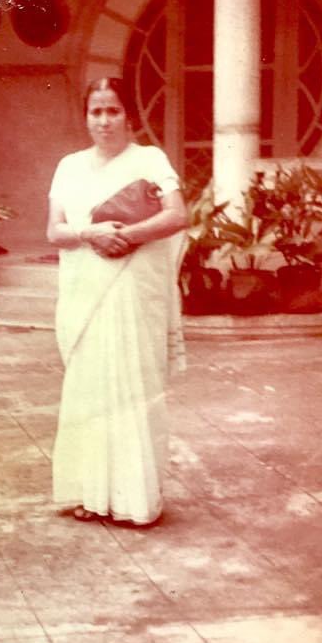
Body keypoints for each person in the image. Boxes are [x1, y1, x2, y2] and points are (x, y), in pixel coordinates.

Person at [45, 77, 188, 526]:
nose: (104, 121)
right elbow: (54, 231)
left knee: (133, 390)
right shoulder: (68, 166)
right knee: (91, 392)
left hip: (133, 291)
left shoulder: (149, 159)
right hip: (86, 290)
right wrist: (91, 234)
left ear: (130, 115)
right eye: (96, 111)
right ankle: (90, 493)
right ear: (85, 116)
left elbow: (178, 214)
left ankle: (135, 499)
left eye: (113, 111)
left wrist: (126, 236)